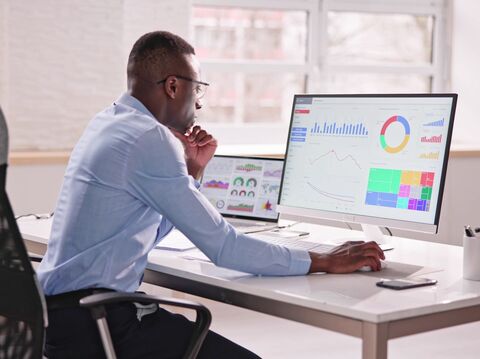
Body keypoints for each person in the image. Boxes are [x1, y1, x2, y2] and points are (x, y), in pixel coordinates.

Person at [37, 31, 384, 359]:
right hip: (103, 323)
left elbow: (140, 231)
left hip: (65, 320)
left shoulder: (108, 121)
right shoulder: (150, 138)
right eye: (198, 89)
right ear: (173, 86)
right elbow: (224, 247)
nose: (199, 104)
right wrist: (323, 261)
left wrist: (191, 173)